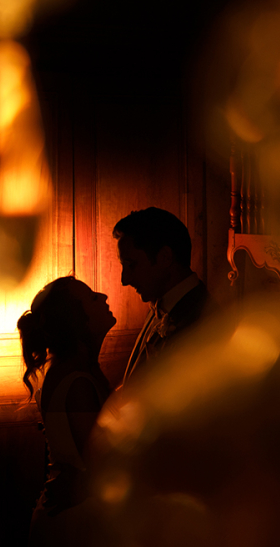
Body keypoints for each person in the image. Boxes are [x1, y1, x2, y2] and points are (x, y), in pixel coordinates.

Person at [16, 276, 115, 520]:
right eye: (92, 297)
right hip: (74, 519)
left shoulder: (79, 370)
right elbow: (103, 466)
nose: (104, 297)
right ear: (77, 320)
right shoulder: (77, 384)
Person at [114, 207, 207, 386]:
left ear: (165, 257)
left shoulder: (199, 324)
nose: (125, 280)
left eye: (131, 265)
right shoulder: (161, 303)